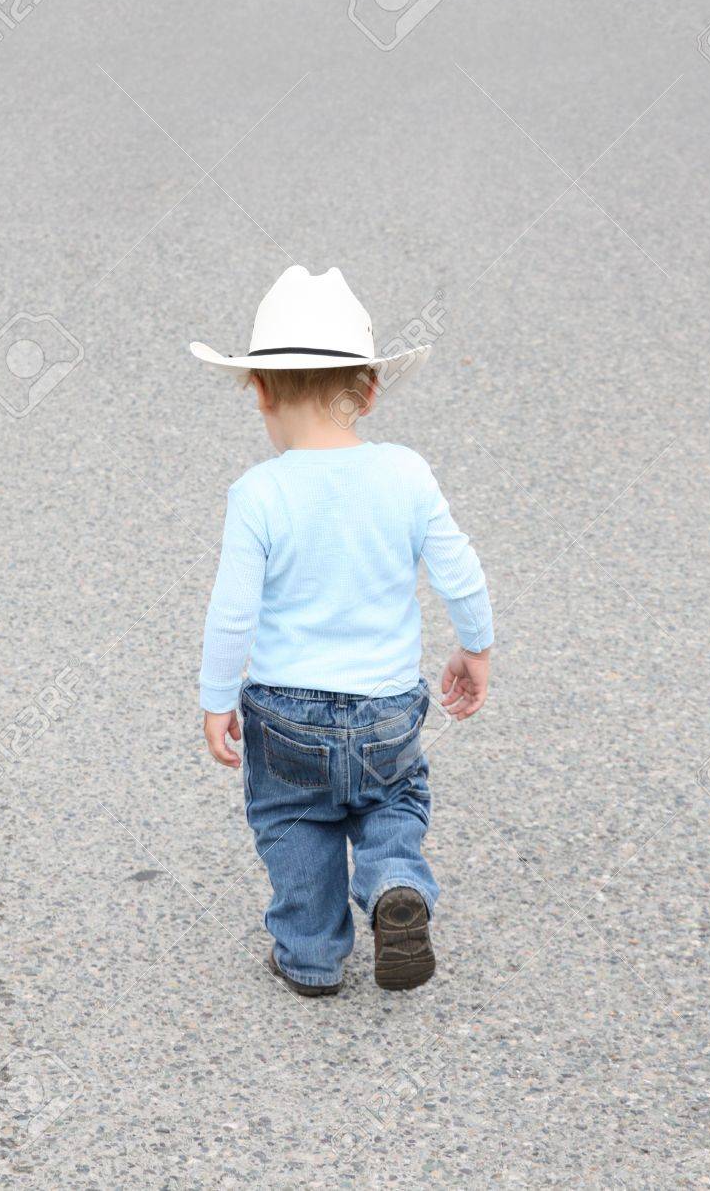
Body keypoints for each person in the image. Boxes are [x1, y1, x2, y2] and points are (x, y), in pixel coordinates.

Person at [192, 266, 493, 995]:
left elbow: (232, 610)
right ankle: (396, 881)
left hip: (286, 713)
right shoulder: (406, 473)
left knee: (294, 823)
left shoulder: (258, 493)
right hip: (387, 708)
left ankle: (312, 956)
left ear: (258, 390)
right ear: (371, 389)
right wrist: (474, 648)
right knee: (392, 799)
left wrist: (214, 698)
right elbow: (461, 570)